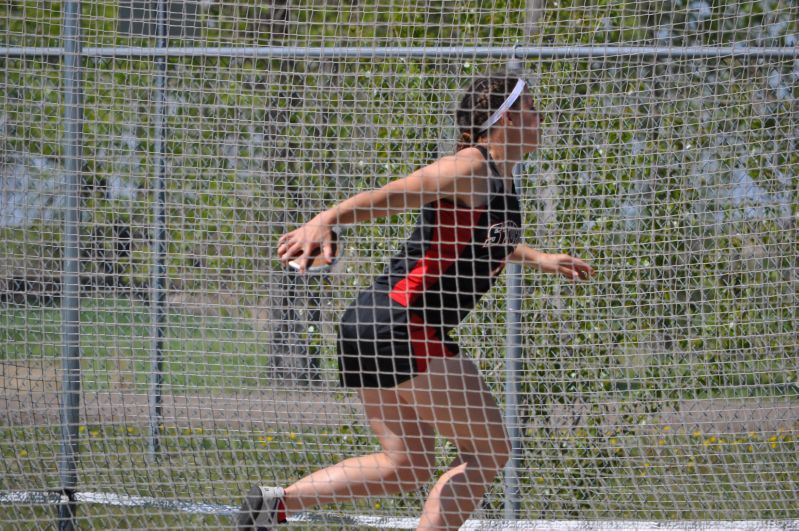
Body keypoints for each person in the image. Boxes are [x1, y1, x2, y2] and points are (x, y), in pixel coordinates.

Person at [238, 74, 595, 530]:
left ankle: (274, 506)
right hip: (404, 321)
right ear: (503, 119)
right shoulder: (469, 167)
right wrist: (324, 219)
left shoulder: (500, 181)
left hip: (371, 321)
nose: (540, 116)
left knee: (406, 463)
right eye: (529, 109)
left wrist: (539, 257)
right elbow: (395, 194)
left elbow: (482, 241)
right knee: (490, 452)